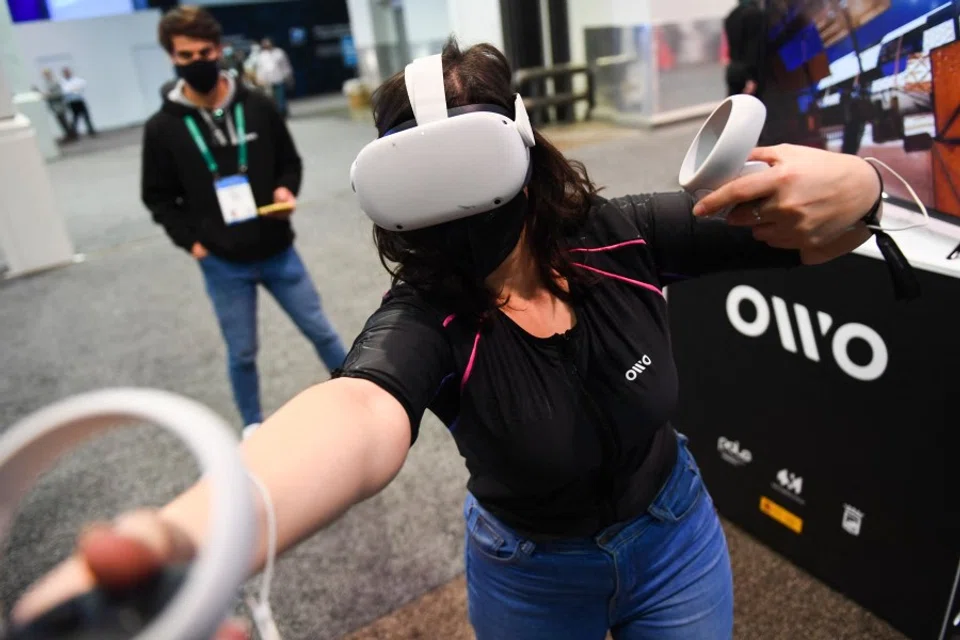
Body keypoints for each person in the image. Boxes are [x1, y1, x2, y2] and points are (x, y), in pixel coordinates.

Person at [14, 41, 884, 639]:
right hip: (533, 571)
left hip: (675, 535)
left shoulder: (620, 235)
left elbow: (816, 232)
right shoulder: (428, 315)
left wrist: (859, 184)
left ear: (522, 146)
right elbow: (353, 419)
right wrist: (180, 543)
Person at [138, 6, 347, 435]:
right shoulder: (162, 128)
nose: (198, 62)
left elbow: (290, 163)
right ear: (172, 59)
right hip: (222, 262)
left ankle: (360, 393)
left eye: (204, 52)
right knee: (243, 353)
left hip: (277, 249)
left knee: (322, 332)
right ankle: (253, 425)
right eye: (185, 56)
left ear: (219, 49)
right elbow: (157, 197)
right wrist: (193, 244)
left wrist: (287, 189)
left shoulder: (258, 106)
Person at [724, 0, 767, 97]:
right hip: (747, 75)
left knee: (736, 108)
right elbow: (753, 49)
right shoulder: (755, 15)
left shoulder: (731, 15)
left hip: (733, 70)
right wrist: (752, 77)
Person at [253, 37, 293, 118]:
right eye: (265, 43)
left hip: (279, 78)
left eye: (268, 43)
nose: (266, 45)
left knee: (281, 97)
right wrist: (259, 79)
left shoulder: (279, 52)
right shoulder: (261, 56)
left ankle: (283, 113)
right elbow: (260, 69)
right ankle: (276, 114)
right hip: (268, 81)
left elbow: (285, 65)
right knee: (271, 99)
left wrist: (288, 76)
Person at [35, 68, 75, 141]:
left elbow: (59, 94)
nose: (45, 76)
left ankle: (71, 136)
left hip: (59, 106)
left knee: (64, 122)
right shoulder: (47, 83)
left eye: (46, 74)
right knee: (62, 122)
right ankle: (70, 135)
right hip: (54, 107)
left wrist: (48, 96)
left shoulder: (55, 82)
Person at [60, 67, 96, 137]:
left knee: (86, 116)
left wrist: (73, 90)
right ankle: (74, 133)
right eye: (65, 73)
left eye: (68, 72)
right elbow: (65, 91)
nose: (67, 73)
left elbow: (82, 85)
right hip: (71, 102)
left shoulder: (76, 79)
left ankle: (91, 130)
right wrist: (73, 89)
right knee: (75, 118)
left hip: (79, 100)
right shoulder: (63, 82)